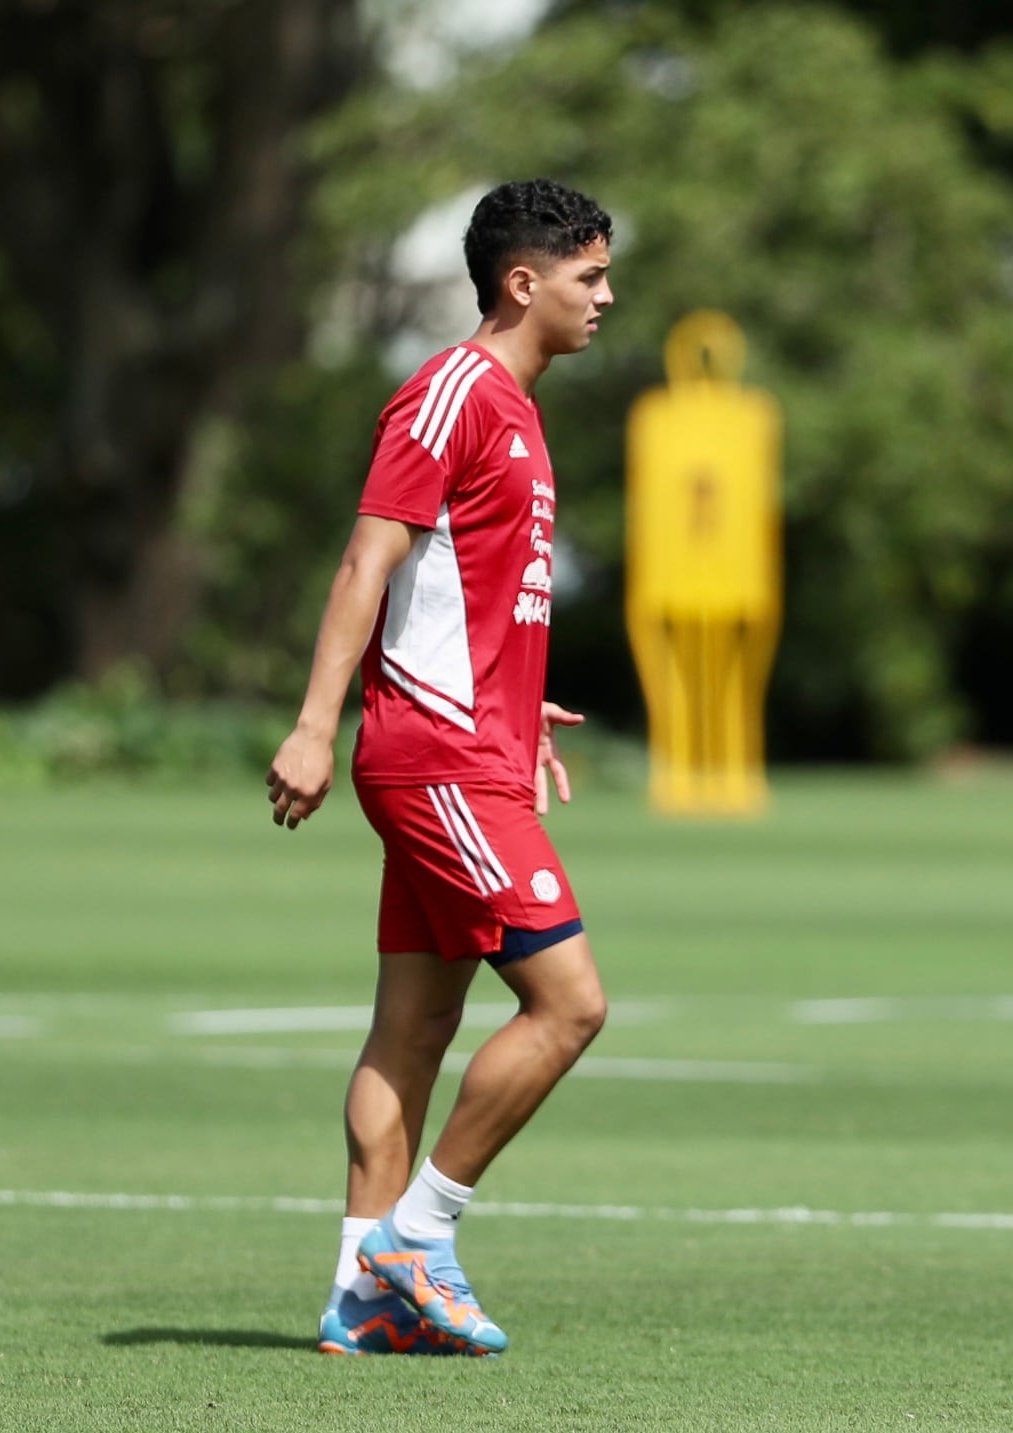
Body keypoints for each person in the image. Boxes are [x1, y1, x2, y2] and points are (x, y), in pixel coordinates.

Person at [264, 178, 615, 1357]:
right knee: (569, 1003)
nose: (606, 297)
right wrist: (317, 724)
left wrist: (523, 703)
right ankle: (418, 1234)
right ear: (524, 282)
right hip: (435, 759)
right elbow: (368, 561)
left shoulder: (518, 409)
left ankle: (358, 1296)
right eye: (591, 276)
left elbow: (464, 598)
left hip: (476, 745)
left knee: (412, 1026)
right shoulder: (450, 392)